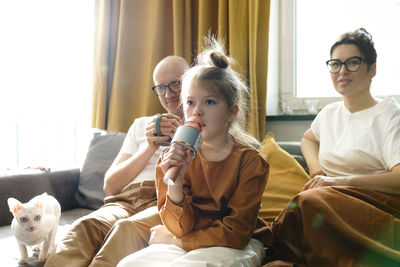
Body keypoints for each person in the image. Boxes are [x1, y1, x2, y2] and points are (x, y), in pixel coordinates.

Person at [117, 38, 270, 266]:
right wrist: (175, 183)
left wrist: (178, 242)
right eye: (190, 102)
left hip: (239, 244)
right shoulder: (172, 156)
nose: (197, 111)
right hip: (186, 235)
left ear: (231, 112)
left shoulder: (250, 162)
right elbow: (178, 226)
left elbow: (235, 234)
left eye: (209, 102)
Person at [264, 28, 400, 267]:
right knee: (309, 200)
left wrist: (340, 181)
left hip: (376, 205)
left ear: (373, 68)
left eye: (353, 62)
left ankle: (283, 253)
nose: (342, 71)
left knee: (308, 201)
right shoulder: (330, 113)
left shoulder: (389, 115)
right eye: (335, 64)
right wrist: (317, 171)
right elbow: (308, 139)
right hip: (329, 199)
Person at [44, 56, 189, 267]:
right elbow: (110, 186)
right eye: (161, 87)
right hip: (125, 200)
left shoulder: (201, 128)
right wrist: (148, 147)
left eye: (175, 84)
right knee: (85, 226)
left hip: (164, 201)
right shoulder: (141, 125)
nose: (168, 94)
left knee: (125, 230)